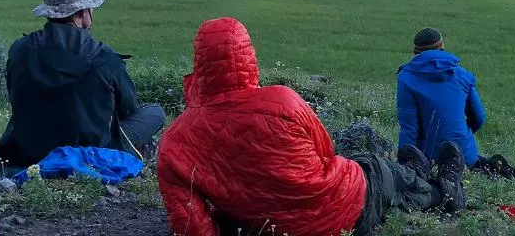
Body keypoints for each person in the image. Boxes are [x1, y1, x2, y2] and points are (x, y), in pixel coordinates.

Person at [157, 18, 467, 236]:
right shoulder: (282, 100)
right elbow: (326, 152)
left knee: (373, 169)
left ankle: (413, 171)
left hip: (265, 225)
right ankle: (446, 191)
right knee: (378, 171)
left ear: (200, 66)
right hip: (341, 211)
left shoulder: (174, 142)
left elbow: (190, 226)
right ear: (248, 57)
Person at [0, 0, 165, 168]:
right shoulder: (104, 57)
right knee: (155, 113)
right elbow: (127, 108)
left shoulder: (20, 49)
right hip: (90, 154)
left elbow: (15, 98)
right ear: (81, 13)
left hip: (28, 152)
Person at [396, 28, 486, 168]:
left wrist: (403, 165)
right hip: (466, 157)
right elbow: (479, 118)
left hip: (429, 159)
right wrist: (460, 136)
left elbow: (409, 129)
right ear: (442, 46)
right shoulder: (462, 74)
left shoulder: (406, 78)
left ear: (415, 52)